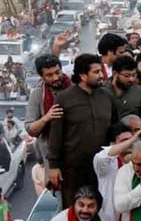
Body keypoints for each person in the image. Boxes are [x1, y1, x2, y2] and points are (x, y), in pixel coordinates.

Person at [48, 54, 119, 208]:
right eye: (96, 72)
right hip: (73, 168)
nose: (101, 75)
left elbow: (114, 126)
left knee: (103, 208)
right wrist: (53, 166)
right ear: (83, 76)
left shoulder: (107, 96)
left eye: (101, 71)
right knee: (74, 209)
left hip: (102, 167)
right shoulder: (64, 99)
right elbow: (55, 134)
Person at [25, 54, 71, 173]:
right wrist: (46, 118)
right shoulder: (38, 94)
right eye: (49, 75)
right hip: (51, 157)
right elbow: (31, 129)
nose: (55, 78)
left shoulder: (74, 88)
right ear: (42, 77)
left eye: (57, 72)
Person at [105, 55, 141, 127]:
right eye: (126, 76)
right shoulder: (102, 90)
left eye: (134, 75)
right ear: (115, 74)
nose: (131, 79)